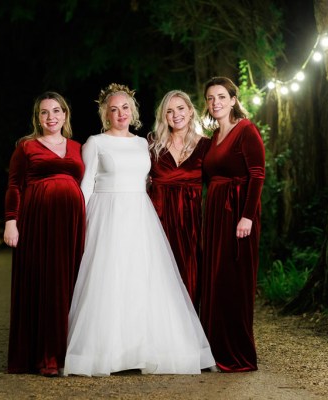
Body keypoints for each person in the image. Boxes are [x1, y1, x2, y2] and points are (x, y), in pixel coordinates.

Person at [63, 83, 215, 377]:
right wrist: (79, 221)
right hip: (106, 214)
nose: (120, 113)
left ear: (133, 111)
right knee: (108, 278)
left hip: (140, 215)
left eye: (125, 108)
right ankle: (106, 351)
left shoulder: (142, 143)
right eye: (114, 109)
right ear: (105, 114)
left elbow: (149, 179)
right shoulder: (95, 142)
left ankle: (144, 348)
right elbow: (86, 186)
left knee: (142, 278)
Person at [3, 91, 86, 377]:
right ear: (38, 118)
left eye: (56, 111)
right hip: (38, 221)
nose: (51, 117)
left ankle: (66, 354)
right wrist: (11, 221)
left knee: (69, 282)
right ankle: (42, 356)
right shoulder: (26, 148)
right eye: (44, 112)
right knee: (43, 281)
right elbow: (14, 186)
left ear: (65, 114)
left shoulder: (78, 147)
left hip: (72, 223)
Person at [200, 77, 265, 373]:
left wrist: (247, 216)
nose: (216, 103)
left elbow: (257, 174)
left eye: (222, 97)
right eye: (211, 98)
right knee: (216, 280)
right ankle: (216, 349)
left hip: (238, 214)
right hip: (215, 215)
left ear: (234, 99)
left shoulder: (246, 130)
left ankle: (239, 354)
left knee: (234, 281)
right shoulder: (214, 136)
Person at [147, 90, 210, 309]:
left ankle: (190, 335)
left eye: (181, 108)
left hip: (191, 223)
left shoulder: (206, 146)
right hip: (158, 221)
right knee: (157, 276)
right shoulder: (151, 144)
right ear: (163, 116)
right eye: (169, 111)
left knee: (190, 274)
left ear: (191, 111)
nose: (176, 115)